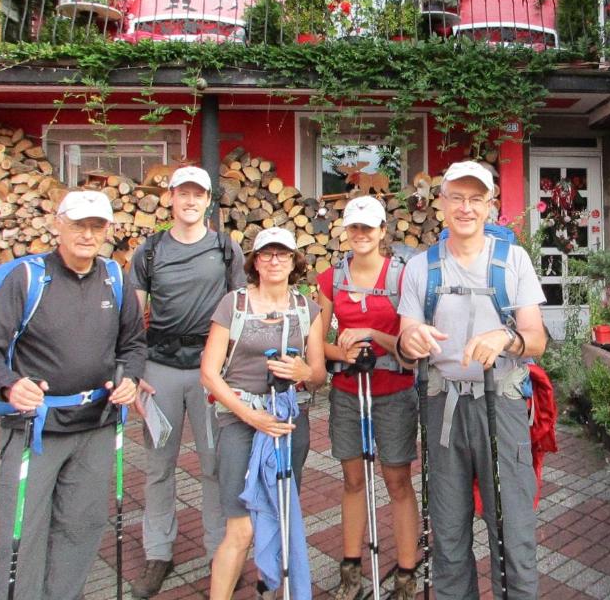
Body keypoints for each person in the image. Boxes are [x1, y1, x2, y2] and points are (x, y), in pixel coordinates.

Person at [0, 190, 146, 600]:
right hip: (36, 428)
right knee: (23, 536)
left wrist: (130, 377)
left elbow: (133, 345)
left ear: (107, 231)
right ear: (58, 225)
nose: (87, 234)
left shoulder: (115, 277)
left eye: (96, 226)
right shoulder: (27, 278)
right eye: (78, 224)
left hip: (96, 425)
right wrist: (10, 384)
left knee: (81, 528)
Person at [396, 161, 547, 600]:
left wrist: (506, 337)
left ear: (490, 207)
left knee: (513, 530)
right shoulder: (420, 268)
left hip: (503, 405)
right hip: (442, 407)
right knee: (447, 531)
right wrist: (413, 338)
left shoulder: (512, 260)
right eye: (456, 198)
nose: (466, 208)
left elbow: (536, 340)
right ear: (441, 204)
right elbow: (406, 341)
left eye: (476, 199)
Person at [130, 165, 246, 598]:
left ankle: (222, 552)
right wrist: (134, 372)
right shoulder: (151, 251)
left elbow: (240, 310)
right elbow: (131, 317)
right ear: (171, 197)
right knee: (159, 466)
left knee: (215, 464)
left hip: (209, 369)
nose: (191, 201)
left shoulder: (225, 248)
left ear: (208, 200)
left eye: (199, 194)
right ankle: (159, 552)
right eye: (183, 194)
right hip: (159, 368)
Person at [200, 227, 326, 599]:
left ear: (294, 261)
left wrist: (305, 373)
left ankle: (275, 590)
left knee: (282, 516)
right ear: (254, 262)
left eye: (282, 254)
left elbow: (318, 374)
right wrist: (248, 416)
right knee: (241, 528)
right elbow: (209, 373)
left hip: (287, 420)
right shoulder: (233, 304)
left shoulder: (307, 309)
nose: (274, 261)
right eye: (267, 254)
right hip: (240, 419)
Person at [318, 196, 420, 600]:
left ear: (382, 232)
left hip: (393, 392)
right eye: (354, 228)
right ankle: (351, 569)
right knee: (352, 479)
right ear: (347, 232)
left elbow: (411, 348)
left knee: (397, 480)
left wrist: (371, 336)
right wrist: (341, 352)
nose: (361, 235)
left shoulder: (401, 276)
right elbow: (317, 345)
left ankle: (407, 574)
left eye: (368, 228)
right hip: (348, 391)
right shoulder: (331, 278)